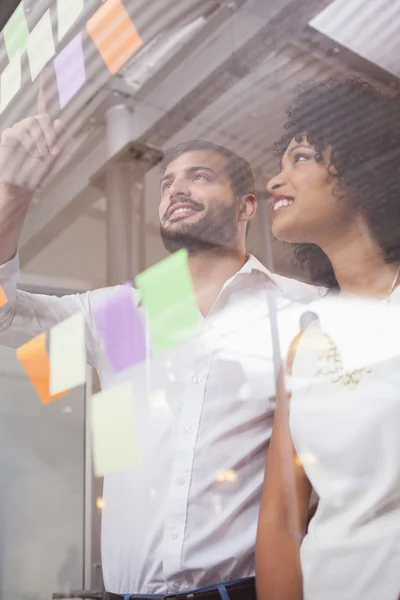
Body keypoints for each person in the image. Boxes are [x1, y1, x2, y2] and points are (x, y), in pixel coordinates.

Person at [0, 101, 317, 599]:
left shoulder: (302, 309)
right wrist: (12, 196)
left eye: (199, 177)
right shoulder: (127, 316)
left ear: (246, 206)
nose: (176, 190)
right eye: (167, 183)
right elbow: (5, 314)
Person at [255, 77, 400, 600]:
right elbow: (280, 522)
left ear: (365, 169)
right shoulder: (305, 344)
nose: (275, 181)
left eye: (302, 157)